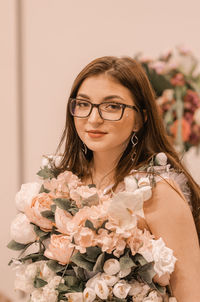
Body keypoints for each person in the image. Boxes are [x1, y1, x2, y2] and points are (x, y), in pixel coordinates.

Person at [54, 56, 200, 301]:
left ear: (140, 119)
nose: (93, 119)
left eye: (112, 106)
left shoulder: (156, 191)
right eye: (83, 104)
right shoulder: (64, 183)